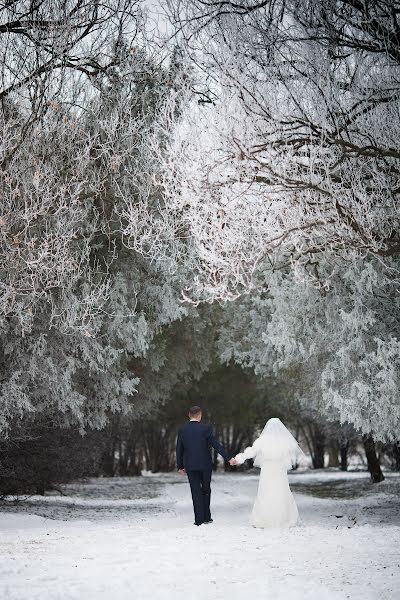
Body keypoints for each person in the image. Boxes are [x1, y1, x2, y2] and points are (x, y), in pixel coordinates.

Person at [235, 417, 305, 528]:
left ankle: (263, 519)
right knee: (281, 491)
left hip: (267, 468)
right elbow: (292, 449)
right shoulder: (284, 440)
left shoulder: (262, 440)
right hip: (279, 469)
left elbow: (252, 452)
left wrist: (239, 459)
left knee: (265, 491)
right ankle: (284, 519)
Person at [176, 406, 236, 526]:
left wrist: (180, 466)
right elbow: (216, 445)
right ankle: (207, 517)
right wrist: (228, 458)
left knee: (195, 491)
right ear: (200, 415)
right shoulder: (206, 428)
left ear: (189, 415)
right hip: (205, 465)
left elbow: (179, 449)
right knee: (206, 490)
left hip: (191, 465)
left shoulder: (183, 429)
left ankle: (199, 519)